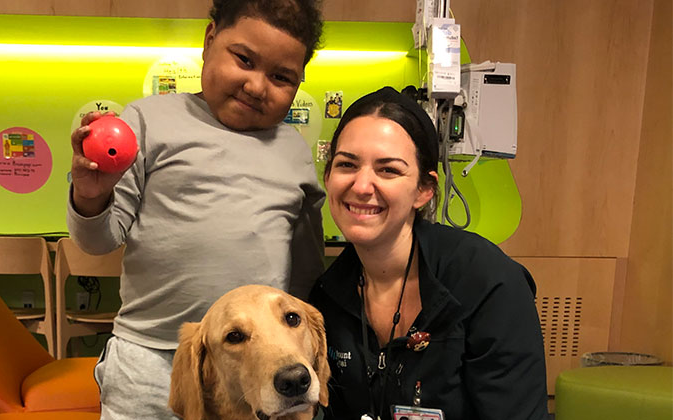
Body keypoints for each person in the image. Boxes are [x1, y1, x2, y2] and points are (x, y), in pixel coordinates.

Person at [66, 1, 325, 418]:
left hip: (250, 365)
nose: (257, 87)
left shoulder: (293, 150)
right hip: (149, 356)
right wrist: (92, 196)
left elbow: (306, 267)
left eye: (281, 77)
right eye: (244, 60)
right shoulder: (148, 120)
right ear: (209, 40)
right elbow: (96, 241)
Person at [309, 86, 548, 420]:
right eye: (347, 165)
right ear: (328, 177)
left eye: (388, 169)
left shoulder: (488, 284)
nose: (361, 186)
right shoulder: (326, 297)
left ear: (424, 190)